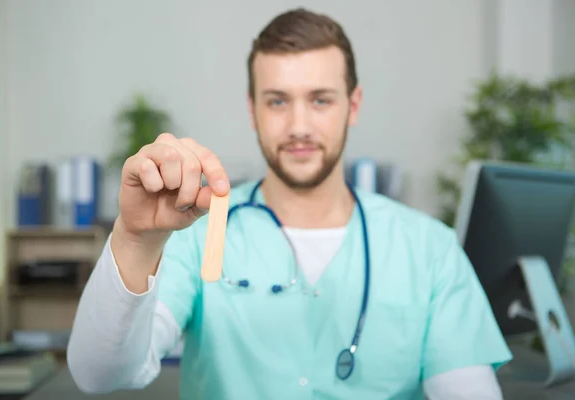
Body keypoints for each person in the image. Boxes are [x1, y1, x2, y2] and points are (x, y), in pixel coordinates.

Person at [67, 7, 512, 399]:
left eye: (320, 100)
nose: (298, 125)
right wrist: (135, 238)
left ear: (352, 105)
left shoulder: (429, 249)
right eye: (277, 101)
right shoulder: (199, 230)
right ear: (252, 108)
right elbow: (100, 375)